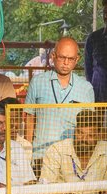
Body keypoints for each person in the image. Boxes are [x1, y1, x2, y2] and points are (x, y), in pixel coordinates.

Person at [24, 36, 95, 165]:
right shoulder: (37, 82)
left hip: (71, 159)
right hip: (41, 157)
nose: (66, 63)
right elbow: (30, 119)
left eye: (71, 59)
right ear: (53, 56)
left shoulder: (86, 88)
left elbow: (89, 127)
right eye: (62, 57)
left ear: (77, 59)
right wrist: (28, 154)